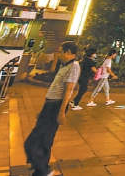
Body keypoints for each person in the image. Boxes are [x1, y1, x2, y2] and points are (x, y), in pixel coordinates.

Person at [23, 42, 80, 176]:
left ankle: (43, 169)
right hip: (50, 105)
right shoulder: (64, 65)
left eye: (61, 52)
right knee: (40, 137)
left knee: (42, 137)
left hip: (56, 106)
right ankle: (40, 167)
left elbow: (69, 89)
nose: (59, 54)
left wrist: (61, 111)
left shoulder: (74, 66)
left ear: (68, 52)